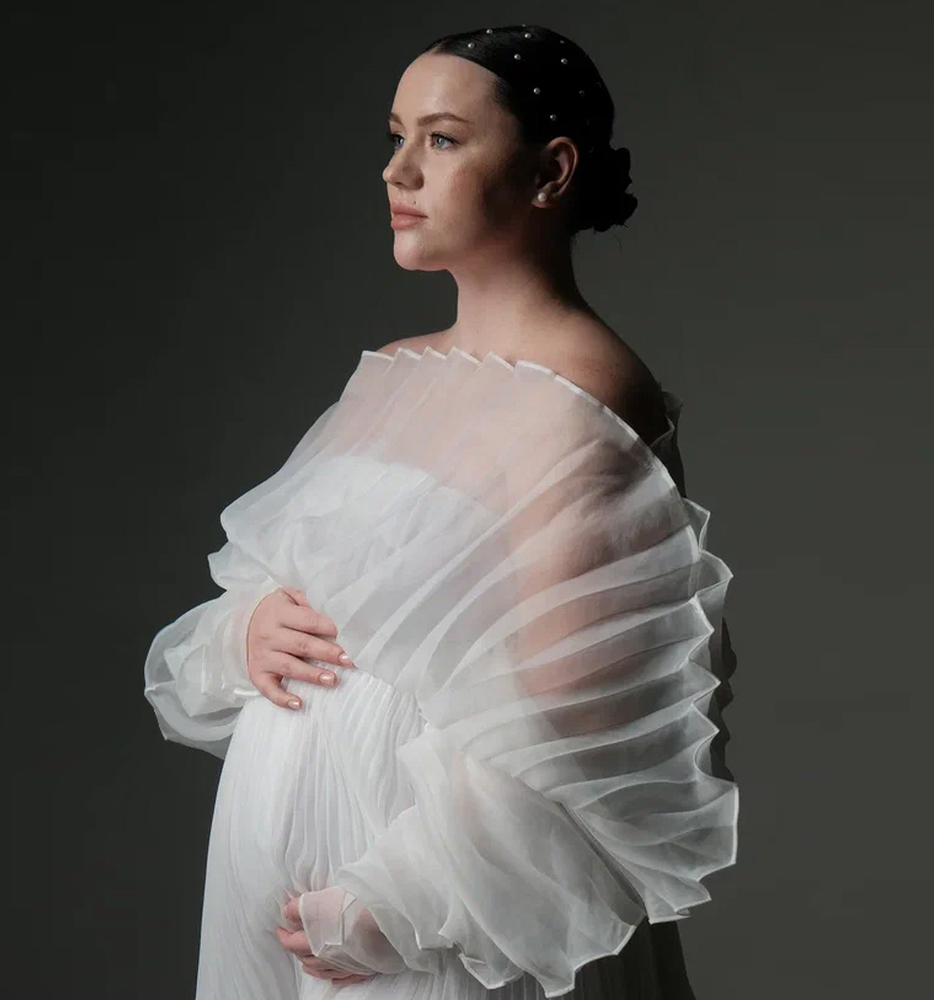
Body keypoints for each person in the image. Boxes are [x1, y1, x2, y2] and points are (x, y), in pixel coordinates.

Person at [144, 23, 738, 1000]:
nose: (399, 170)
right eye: (396, 136)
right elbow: (294, 583)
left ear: (551, 171)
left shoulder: (586, 391)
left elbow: (584, 709)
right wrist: (246, 629)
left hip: (426, 916)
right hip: (287, 884)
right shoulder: (395, 373)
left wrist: (400, 902)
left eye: (444, 139)